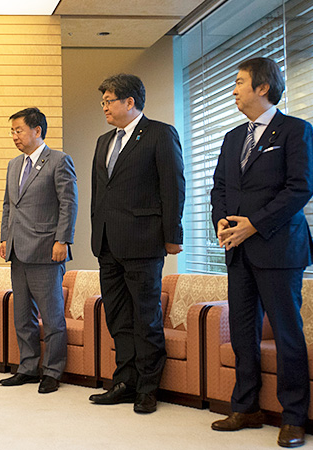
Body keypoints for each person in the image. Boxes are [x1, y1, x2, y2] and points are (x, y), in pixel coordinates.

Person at [210, 57, 313, 448]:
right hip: (237, 250)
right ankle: (246, 406)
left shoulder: (295, 131)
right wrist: (221, 222)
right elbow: (220, 187)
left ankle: (293, 418)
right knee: (242, 332)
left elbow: (299, 188)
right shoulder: (232, 137)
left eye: (239, 82)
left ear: (263, 88)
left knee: (287, 333)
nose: (234, 89)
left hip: (279, 248)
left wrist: (253, 224)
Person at [89, 74, 185, 413]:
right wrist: (95, 231)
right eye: (103, 102)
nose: (104, 107)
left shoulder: (159, 133)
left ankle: (148, 387)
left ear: (130, 102)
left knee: (146, 316)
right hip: (107, 243)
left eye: (109, 101)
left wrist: (173, 235)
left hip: (144, 242)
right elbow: (99, 193)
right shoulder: (104, 141)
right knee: (118, 318)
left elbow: (173, 185)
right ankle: (124, 382)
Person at [0, 107, 78, 394]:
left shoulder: (58, 160)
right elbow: (10, 205)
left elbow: (68, 203)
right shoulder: (13, 165)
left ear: (37, 131)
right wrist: (5, 237)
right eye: (12, 131)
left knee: (52, 316)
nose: (15, 136)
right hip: (18, 250)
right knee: (22, 315)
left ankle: (53, 371)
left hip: (47, 249)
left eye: (18, 130)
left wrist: (63, 240)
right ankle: (28, 367)